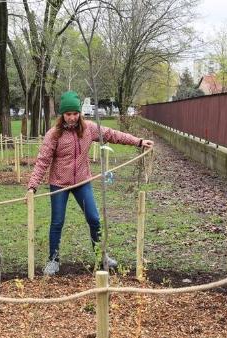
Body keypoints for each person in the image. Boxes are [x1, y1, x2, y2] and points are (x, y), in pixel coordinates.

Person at [27, 91, 154, 276]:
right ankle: (53, 261)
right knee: (57, 222)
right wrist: (32, 186)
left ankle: (101, 256)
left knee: (94, 219)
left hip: (82, 182)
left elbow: (113, 134)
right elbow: (42, 161)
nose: (72, 117)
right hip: (59, 184)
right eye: (68, 114)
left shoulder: (89, 129)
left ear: (80, 113)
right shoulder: (53, 135)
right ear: (62, 114)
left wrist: (139, 141)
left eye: (75, 113)